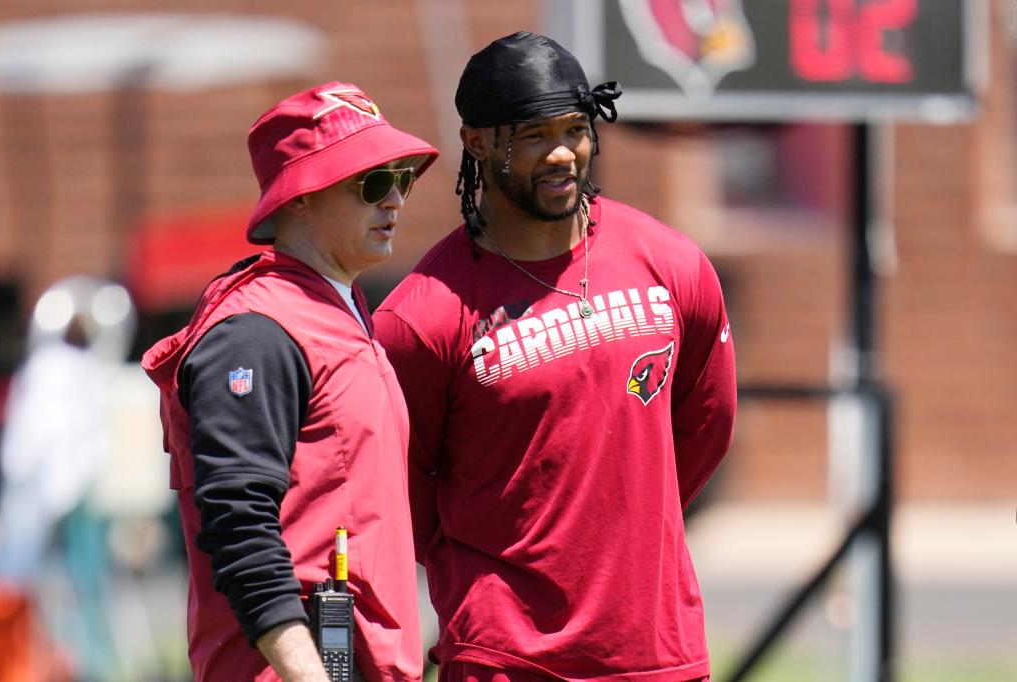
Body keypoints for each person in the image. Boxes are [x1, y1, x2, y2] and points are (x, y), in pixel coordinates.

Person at [373, 32, 736, 681]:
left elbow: (704, 428)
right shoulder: (419, 318)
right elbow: (397, 488)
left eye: (576, 128)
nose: (563, 153)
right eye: (535, 135)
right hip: (504, 658)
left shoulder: (672, 264)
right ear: (478, 143)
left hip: (656, 651)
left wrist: (624, 529)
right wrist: (485, 577)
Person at [142, 81, 439, 682]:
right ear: (300, 197)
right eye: (373, 183)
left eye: (401, 178)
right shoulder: (255, 330)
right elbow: (238, 521)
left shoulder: (337, 307)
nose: (396, 202)